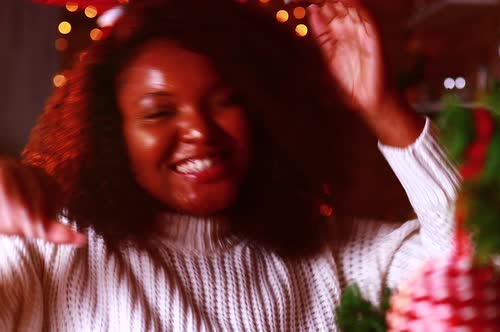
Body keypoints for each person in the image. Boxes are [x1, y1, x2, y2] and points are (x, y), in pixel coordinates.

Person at [0, 0, 459, 330]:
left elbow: (495, 271)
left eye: (226, 101)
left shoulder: (343, 258)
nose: (200, 131)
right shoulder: (54, 255)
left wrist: (383, 110)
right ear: (113, 136)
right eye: (159, 112)